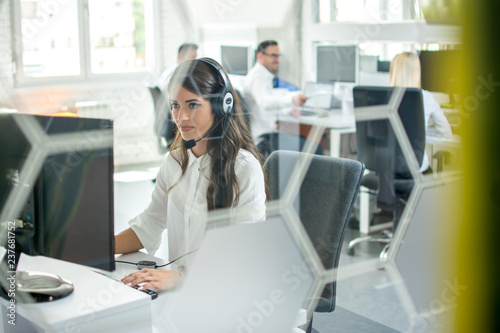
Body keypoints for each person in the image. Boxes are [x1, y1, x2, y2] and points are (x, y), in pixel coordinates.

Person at [116, 58, 268, 290]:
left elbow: (243, 255)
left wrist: (178, 277)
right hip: (183, 291)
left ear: (221, 106)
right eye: (175, 105)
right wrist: (97, 248)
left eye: (192, 105)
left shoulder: (245, 168)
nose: (181, 116)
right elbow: (149, 224)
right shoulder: (175, 161)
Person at [243, 40, 318, 156]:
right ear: (260, 56)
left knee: (309, 142)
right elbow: (265, 102)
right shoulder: (257, 77)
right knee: (315, 148)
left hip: (270, 133)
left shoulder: (264, 76)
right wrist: (292, 100)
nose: (278, 60)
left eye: (278, 56)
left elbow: (265, 107)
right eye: (273, 56)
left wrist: (287, 111)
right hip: (264, 138)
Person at [389, 52, 453, 172]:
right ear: (417, 72)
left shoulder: (381, 97)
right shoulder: (426, 97)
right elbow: (446, 132)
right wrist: (420, 135)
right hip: (416, 170)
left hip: (386, 169)